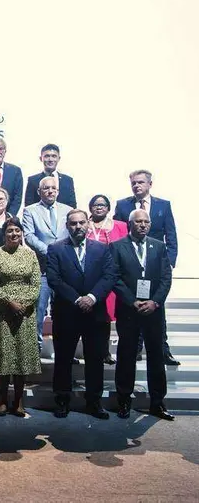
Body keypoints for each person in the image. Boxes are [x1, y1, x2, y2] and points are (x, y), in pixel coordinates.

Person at [46, 209, 117, 419]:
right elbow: (54, 279)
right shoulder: (56, 249)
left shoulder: (102, 249)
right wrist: (77, 299)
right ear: (67, 226)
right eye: (73, 223)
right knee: (64, 358)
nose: (78, 227)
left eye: (81, 223)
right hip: (67, 312)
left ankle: (94, 402)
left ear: (88, 224)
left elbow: (110, 276)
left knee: (95, 359)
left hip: (95, 314)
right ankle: (62, 400)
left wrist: (92, 298)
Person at [111, 210, 174, 421]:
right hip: (129, 310)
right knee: (127, 355)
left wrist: (155, 302)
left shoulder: (159, 246)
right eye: (139, 221)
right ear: (130, 224)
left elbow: (166, 277)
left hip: (154, 310)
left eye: (146, 221)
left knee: (156, 356)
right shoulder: (117, 246)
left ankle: (157, 402)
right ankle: (124, 400)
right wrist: (132, 301)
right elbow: (115, 277)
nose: (143, 225)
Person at [113, 169, 179, 366]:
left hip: (155, 266)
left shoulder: (163, 205)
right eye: (133, 182)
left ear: (150, 184)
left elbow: (171, 235)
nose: (136, 186)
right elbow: (119, 234)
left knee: (157, 311)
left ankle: (163, 350)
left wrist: (169, 262)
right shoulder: (123, 205)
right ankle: (135, 350)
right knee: (132, 313)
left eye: (141, 182)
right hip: (131, 267)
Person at [0, 217, 41, 417]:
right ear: (4, 234)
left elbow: (36, 284)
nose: (13, 234)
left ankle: (18, 401)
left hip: (25, 312)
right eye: (9, 231)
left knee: (21, 357)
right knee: (3, 356)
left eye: (17, 230)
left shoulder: (30, 254)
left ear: (22, 232)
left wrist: (24, 304)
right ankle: (2, 400)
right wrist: (10, 303)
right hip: (1, 311)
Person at [22, 176, 71, 353]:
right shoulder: (30, 211)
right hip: (42, 269)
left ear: (58, 191)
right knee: (38, 311)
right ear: (39, 191)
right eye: (46, 188)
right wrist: (51, 251)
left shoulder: (69, 210)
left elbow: (71, 236)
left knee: (63, 313)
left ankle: (64, 351)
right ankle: (35, 350)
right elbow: (29, 236)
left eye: (53, 188)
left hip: (64, 271)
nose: (50, 191)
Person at [87, 194, 128, 364]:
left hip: (110, 277)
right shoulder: (83, 225)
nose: (99, 207)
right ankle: (91, 351)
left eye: (103, 205)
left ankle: (104, 352)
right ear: (90, 207)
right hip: (88, 278)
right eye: (95, 205)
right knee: (90, 317)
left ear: (108, 208)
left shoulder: (120, 226)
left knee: (104, 317)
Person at [24, 144, 77, 208]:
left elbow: (72, 205)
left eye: (54, 156)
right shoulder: (33, 180)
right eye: (47, 156)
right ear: (41, 158)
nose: (50, 159)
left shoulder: (67, 180)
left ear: (59, 158)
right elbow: (29, 205)